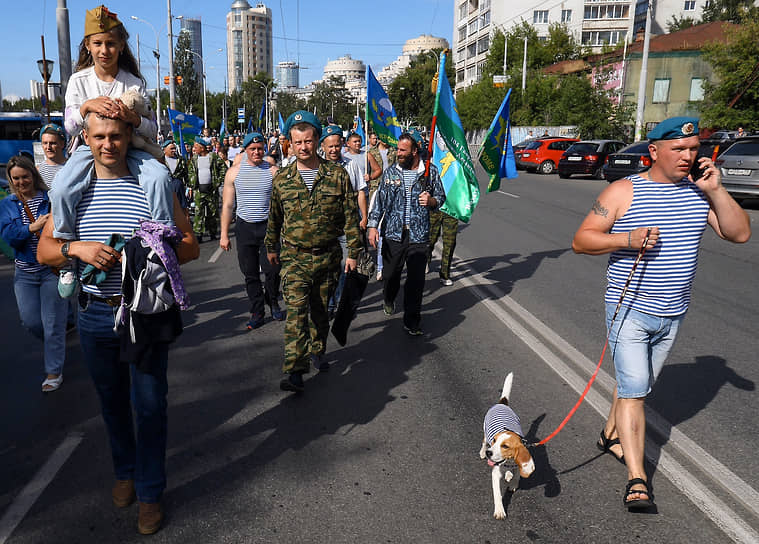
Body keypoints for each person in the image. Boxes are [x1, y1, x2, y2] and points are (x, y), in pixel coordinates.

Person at [572, 116, 750, 510]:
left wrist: (717, 191)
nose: (689, 156)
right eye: (679, 150)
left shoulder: (700, 193)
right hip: (629, 310)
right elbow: (581, 240)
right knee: (635, 391)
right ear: (654, 151)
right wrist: (627, 238)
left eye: (693, 149)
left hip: (673, 313)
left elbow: (739, 234)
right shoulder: (624, 191)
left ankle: (608, 435)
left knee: (636, 384)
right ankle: (638, 479)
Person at [37, 113, 199, 535]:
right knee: (111, 405)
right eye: (100, 137)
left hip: (144, 314)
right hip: (93, 312)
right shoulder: (72, 190)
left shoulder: (153, 185)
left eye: (116, 135)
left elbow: (190, 248)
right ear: (86, 140)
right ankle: (124, 470)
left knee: (149, 406)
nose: (108, 144)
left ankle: (149, 493)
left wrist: (147, 256)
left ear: (130, 136)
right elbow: (45, 251)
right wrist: (80, 249)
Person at [265, 111, 361, 393]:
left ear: (317, 140)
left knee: (320, 311)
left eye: (308, 141)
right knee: (295, 311)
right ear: (290, 145)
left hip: (327, 256)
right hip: (294, 257)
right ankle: (295, 369)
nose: (303, 147)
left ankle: (318, 349)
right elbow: (275, 218)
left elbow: (350, 217)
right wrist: (271, 247)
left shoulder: (337, 175)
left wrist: (353, 252)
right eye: (298, 142)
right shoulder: (282, 179)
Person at [0, 156, 68, 393]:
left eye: (25, 176)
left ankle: (53, 371)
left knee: (52, 326)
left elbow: (65, 227)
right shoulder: (7, 204)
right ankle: (58, 340)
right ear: (11, 180)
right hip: (25, 273)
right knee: (31, 322)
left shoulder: (50, 200)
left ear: (33, 176)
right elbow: (8, 236)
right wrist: (32, 227)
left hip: (51, 271)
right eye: (16, 178)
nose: (21, 182)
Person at [367, 132, 445, 336]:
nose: (398, 153)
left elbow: (441, 198)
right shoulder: (391, 173)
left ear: (414, 151)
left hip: (418, 236)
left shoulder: (429, 173)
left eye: (403, 150)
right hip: (393, 235)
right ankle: (389, 297)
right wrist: (373, 227)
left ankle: (412, 321)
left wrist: (431, 202)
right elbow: (379, 202)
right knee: (391, 275)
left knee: (416, 281)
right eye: (398, 150)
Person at [220, 132, 286, 329]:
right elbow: (227, 205)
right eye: (252, 149)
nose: (257, 152)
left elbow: (283, 203)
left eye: (260, 148)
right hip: (245, 227)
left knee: (273, 271)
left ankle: (272, 300)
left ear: (264, 148)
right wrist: (224, 234)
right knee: (250, 274)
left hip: (268, 228)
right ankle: (257, 311)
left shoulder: (274, 171)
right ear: (246, 150)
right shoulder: (234, 172)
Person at [320, 124, 368, 318]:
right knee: (326, 269)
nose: (333, 150)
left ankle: (338, 301)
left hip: (346, 226)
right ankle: (328, 302)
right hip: (324, 228)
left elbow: (360, 193)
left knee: (345, 267)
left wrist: (364, 217)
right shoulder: (316, 167)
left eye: (337, 146)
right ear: (322, 146)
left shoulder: (351, 165)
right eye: (329, 146)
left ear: (342, 145)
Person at [188, 137, 227, 241]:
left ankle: (213, 233)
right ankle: (198, 234)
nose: (194, 149)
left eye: (196, 147)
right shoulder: (194, 159)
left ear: (202, 148)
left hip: (211, 190)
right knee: (198, 213)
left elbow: (223, 168)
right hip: (199, 191)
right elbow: (190, 172)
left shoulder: (213, 157)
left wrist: (218, 182)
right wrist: (192, 184)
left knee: (212, 213)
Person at [427, 208, 459, 286]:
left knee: (450, 243)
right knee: (430, 239)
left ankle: (445, 274)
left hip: (452, 209)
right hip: (435, 207)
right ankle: (426, 259)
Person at [36, 123, 67, 188]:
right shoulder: (37, 171)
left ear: (62, 144)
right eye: (45, 143)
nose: (48, 147)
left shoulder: (72, 167)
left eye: (53, 143)